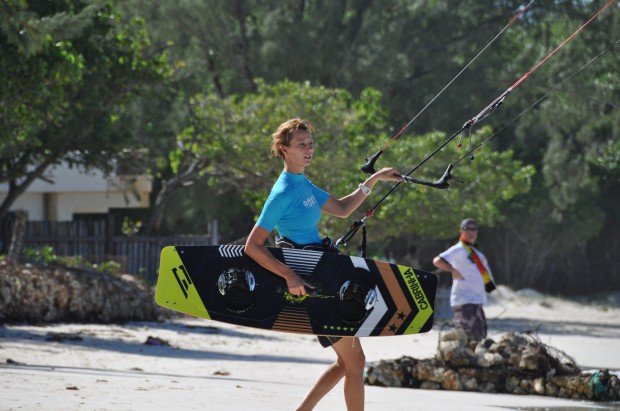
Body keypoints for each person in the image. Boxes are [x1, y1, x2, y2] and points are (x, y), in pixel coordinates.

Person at [244, 117, 401, 411]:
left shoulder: (302, 184)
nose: (308, 149)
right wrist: (289, 275)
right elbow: (252, 246)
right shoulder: (281, 192)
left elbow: (341, 209)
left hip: (324, 273)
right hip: (312, 281)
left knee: (347, 362)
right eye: (301, 144)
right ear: (284, 149)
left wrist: (374, 180)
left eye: (311, 143)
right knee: (355, 361)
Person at [432, 218, 495, 341]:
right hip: (464, 300)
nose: (471, 232)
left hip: (477, 300)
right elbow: (437, 261)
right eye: (468, 229)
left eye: (474, 229)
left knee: (481, 337)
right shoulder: (459, 249)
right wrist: (453, 270)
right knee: (464, 336)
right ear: (461, 231)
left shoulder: (476, 252)